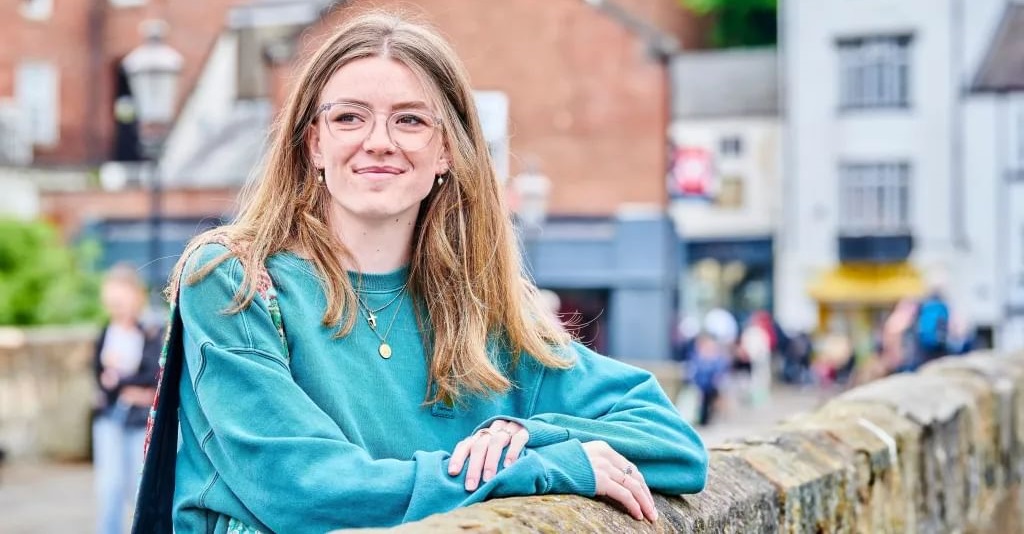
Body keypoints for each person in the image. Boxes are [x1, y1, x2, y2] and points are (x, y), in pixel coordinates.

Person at [137, 11, 707, 533]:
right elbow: (303, 491)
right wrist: (521, 470)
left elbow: (674, 444)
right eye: (349, 117)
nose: (379, 142)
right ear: (313, 143)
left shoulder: (480, 318)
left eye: (410, 120)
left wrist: (534, 436)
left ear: (446, 153)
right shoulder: (237, 285)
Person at [92, 264, 161, 534]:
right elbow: (99, 377)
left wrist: (120, 380)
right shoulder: (106, 332)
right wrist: (120, 385)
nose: (116, 308)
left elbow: (154, 376)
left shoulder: (152, 330)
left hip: (140, 421)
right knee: (108, 487)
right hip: (110, 417)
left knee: (139, 487)